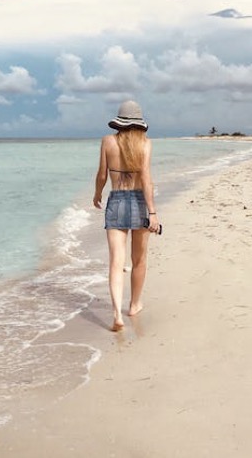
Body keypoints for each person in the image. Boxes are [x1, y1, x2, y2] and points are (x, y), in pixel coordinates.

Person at [93, 100, 160, 332]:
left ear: (119, 122)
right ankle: (134, 305)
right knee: (139, 260)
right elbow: (146, 180)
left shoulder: (107, 141)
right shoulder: (146, 144)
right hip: (140, 202)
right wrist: (152, 213)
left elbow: (102, 175)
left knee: (116, 262)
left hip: (116, 201)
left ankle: (116, 313)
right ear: (139, 123)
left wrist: (97, 194)